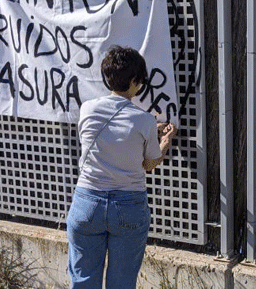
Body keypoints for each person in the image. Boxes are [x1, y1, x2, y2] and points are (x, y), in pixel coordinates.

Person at [67, 45, 177, 289]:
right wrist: (165, 140)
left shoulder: (87, 109)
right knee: (122, 283)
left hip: (87, 203)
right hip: (128, 206)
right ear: (136, 81)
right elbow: (150, 164)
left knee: (83, 279)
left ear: (107, 77)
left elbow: (110, 136)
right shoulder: (145, 120)